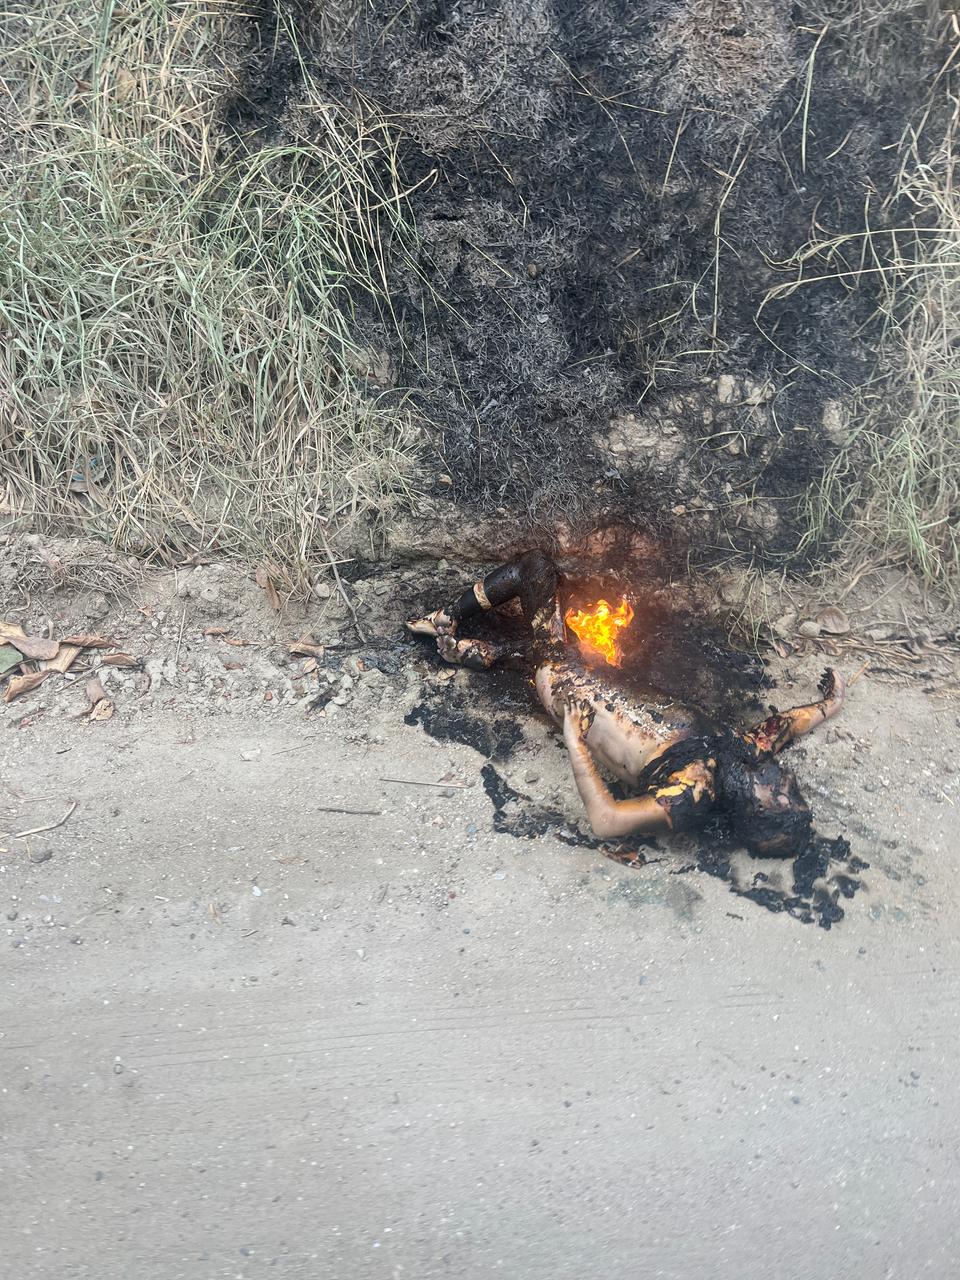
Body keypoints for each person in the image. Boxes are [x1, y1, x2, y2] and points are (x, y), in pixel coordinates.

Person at [407, 550, 844, 857]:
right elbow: (785, 726)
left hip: (565, 684)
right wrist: (830, 704)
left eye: (786, 795)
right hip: (596, 673)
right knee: (552, 634)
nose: (788, 782)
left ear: (760, 810)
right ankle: (467, 651)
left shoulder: (692, 795)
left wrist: (575, 742)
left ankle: (444, 617)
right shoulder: (741, 756)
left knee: (535, 568)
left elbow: (606, 821)